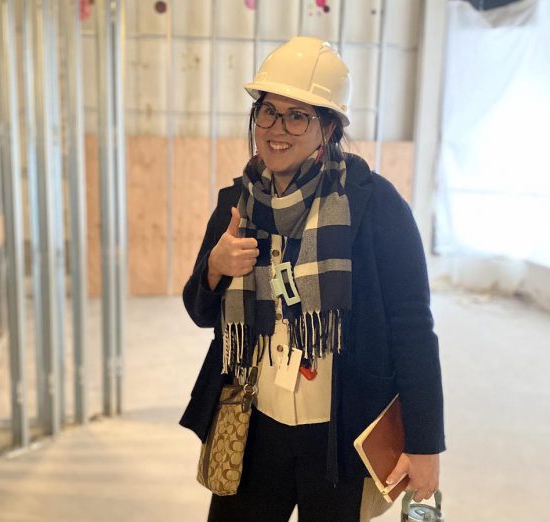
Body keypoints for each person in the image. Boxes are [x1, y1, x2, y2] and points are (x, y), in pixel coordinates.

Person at [180, 36, 445, 522]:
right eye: (268, 110)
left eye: (297, 115)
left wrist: (426, 444)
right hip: (254, 423)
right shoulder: (236, 205)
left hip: (338, 433)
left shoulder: (375, 207)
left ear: (328, 128)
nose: (277, 129)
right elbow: (200, 314)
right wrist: (215, 268)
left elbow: (412, 328)